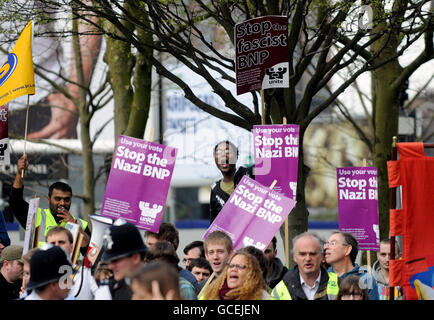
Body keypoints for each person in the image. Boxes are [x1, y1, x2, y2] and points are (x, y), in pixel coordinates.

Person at [8, 156, 90, 253]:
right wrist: (19, 173)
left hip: (67, 268)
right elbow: (15, 201)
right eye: (58, 199)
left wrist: (75, 227)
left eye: (66, 199)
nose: (62, 203)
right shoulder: (34, 215)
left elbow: (89, 251)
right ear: (48, 199)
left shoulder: (81, 224)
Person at [271, 232, 339, 300]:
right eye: (302, 254)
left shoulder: (339, 283)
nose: (308, 259)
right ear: (294, 257)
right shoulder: (279, 291)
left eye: (313, 254)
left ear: (322, 256)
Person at [95, 221, 148, 300]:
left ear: (135, 258)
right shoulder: (107, 291)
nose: (110, 266)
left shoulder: (161, 283)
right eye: (110, 261)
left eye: (116, 260)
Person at [45, 226, 99, 300]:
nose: (57, 246)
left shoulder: (87, 273)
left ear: (71, 247)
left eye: (61, 242)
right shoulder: (37, 276)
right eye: (52, 243)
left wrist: (99, 265)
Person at [324, 231, 379, 300]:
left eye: (333, 243)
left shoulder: (367, 279)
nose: (326, 247)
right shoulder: (322, 277)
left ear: (347, 250)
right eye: (326, 244)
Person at [209, 140, 254, 223]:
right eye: (218, 153)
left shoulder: (250, 174)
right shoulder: (215, 190)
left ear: (236, 157)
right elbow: (215, 226)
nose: (223, 155)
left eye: (227, 151)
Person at [144, 222, 197, 292]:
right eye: (148, 244)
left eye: (152, 245)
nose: (148, 249)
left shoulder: (187, 282)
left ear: (167, 246)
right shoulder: (142, 276)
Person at [200, 250, 270, 300]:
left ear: (251, 274)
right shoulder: (209, 294)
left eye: (240, 266)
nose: (234, 269)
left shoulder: (262, 297)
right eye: (231, 265)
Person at [198, 230, 234, 296]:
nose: (215, 257)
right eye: (211, 252)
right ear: (206, 256)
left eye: (220, 252)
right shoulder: (202, 286)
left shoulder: (238, 283)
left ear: (230, 253)